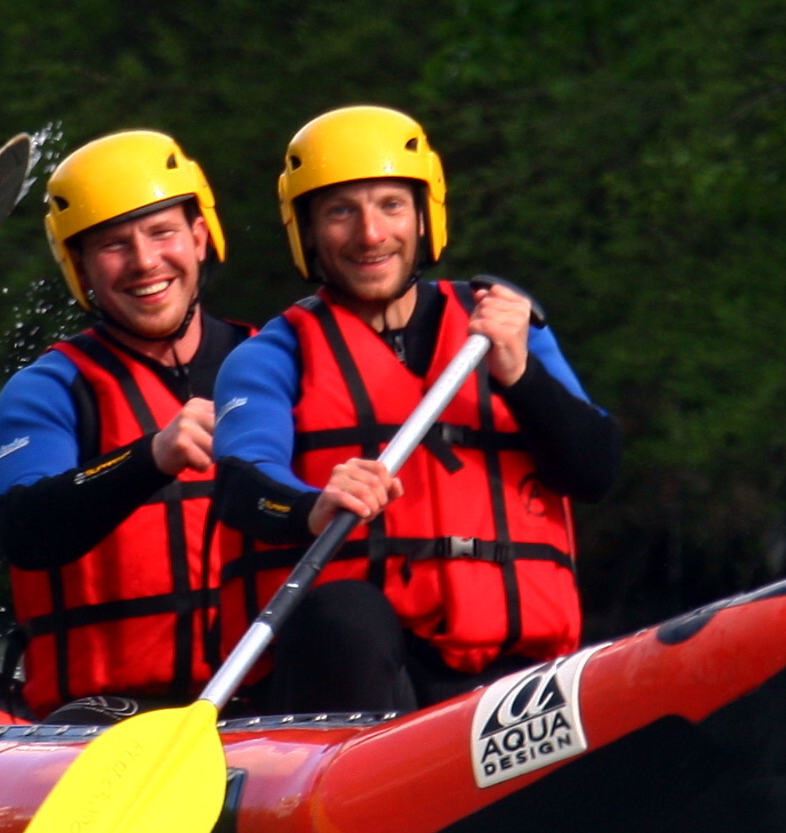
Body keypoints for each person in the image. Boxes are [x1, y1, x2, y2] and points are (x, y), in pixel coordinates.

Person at [211, 106, 622, 713]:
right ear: (307, 232)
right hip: (353, 675)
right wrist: (310, 506)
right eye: (340, 212)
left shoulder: (506, 330)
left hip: (510, 683)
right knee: (346, 613)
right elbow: (242, 486)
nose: (371, 234)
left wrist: (520, 375)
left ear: (426, 216)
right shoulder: (272, 356)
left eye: (391, 206)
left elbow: (594, 471)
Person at [0, 131, 253, 719]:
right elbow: (25, 529)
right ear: (79, 267)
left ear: (200, 238)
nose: (144, 262)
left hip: (273, 708)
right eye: (113, 245)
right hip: (109, 718)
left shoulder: (276, 365)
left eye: (162, 233)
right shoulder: (50, 390)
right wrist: (150, 458)